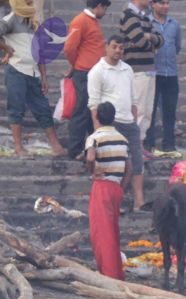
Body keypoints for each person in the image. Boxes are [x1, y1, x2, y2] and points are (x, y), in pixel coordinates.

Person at [0, 0, 66, 157]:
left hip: (34, 72)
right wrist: (6, 48)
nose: (30, 2)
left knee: (43, 109)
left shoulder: (35, 23)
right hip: (16, 70)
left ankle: (56, 146)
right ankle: (18, 147)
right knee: (16, 109)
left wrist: (44, 76)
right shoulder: (10, 19)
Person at [88, 35, 143, 213]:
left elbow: (134, 99)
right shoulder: (97, 71)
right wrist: (99, 131)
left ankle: (139, 201)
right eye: (114, 47)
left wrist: (134, 121)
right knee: (115, 166)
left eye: (121, 48)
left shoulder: (127, 69)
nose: (118, 50)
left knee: (136, 162)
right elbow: (94, 104)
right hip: (111, 124)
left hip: (129, 122)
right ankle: (113, 202)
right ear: (107, 47)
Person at [85, 102, 130, 281]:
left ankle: (109, 274)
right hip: (116, 187)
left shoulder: (95, 137)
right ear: (113, 117)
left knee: (101, 232)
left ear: (97, 117)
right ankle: (115, 272)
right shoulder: (122, 139)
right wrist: (121, 187)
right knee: (112, 230)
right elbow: (129, 168)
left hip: (102, 186)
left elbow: (90, 157)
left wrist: (92, 170)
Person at [64, 0, 111, 161]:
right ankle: (75, 149)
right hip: (84, 72)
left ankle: (91, 149)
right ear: (98, 6)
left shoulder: (92, 21)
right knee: (82, 111)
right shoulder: (80, 20)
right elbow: (69, 48)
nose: (105, 11)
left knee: (93, 111)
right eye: (104, 8)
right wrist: (76, 64)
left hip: (94, 72)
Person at [119, 0, 164, 155]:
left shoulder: (144, 17)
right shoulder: (129, 16)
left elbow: (160, 40)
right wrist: (150, 40)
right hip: (137, 70)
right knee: (137, 110)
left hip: (150, 70)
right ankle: (132, 147)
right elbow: (141, 42)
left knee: (147, 110)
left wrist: (149, 37)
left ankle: (139, 145)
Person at [144, 0, 181, 153]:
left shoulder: (175, 24)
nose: (165, 6)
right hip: (153, 73)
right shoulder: (146, 22)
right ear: (153, 4)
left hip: (171, 73)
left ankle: (169, 144)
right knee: (150, 111)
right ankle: (149, 143)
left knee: (170, 112)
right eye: (162, 3)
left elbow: (177, 46)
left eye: (167, 3)